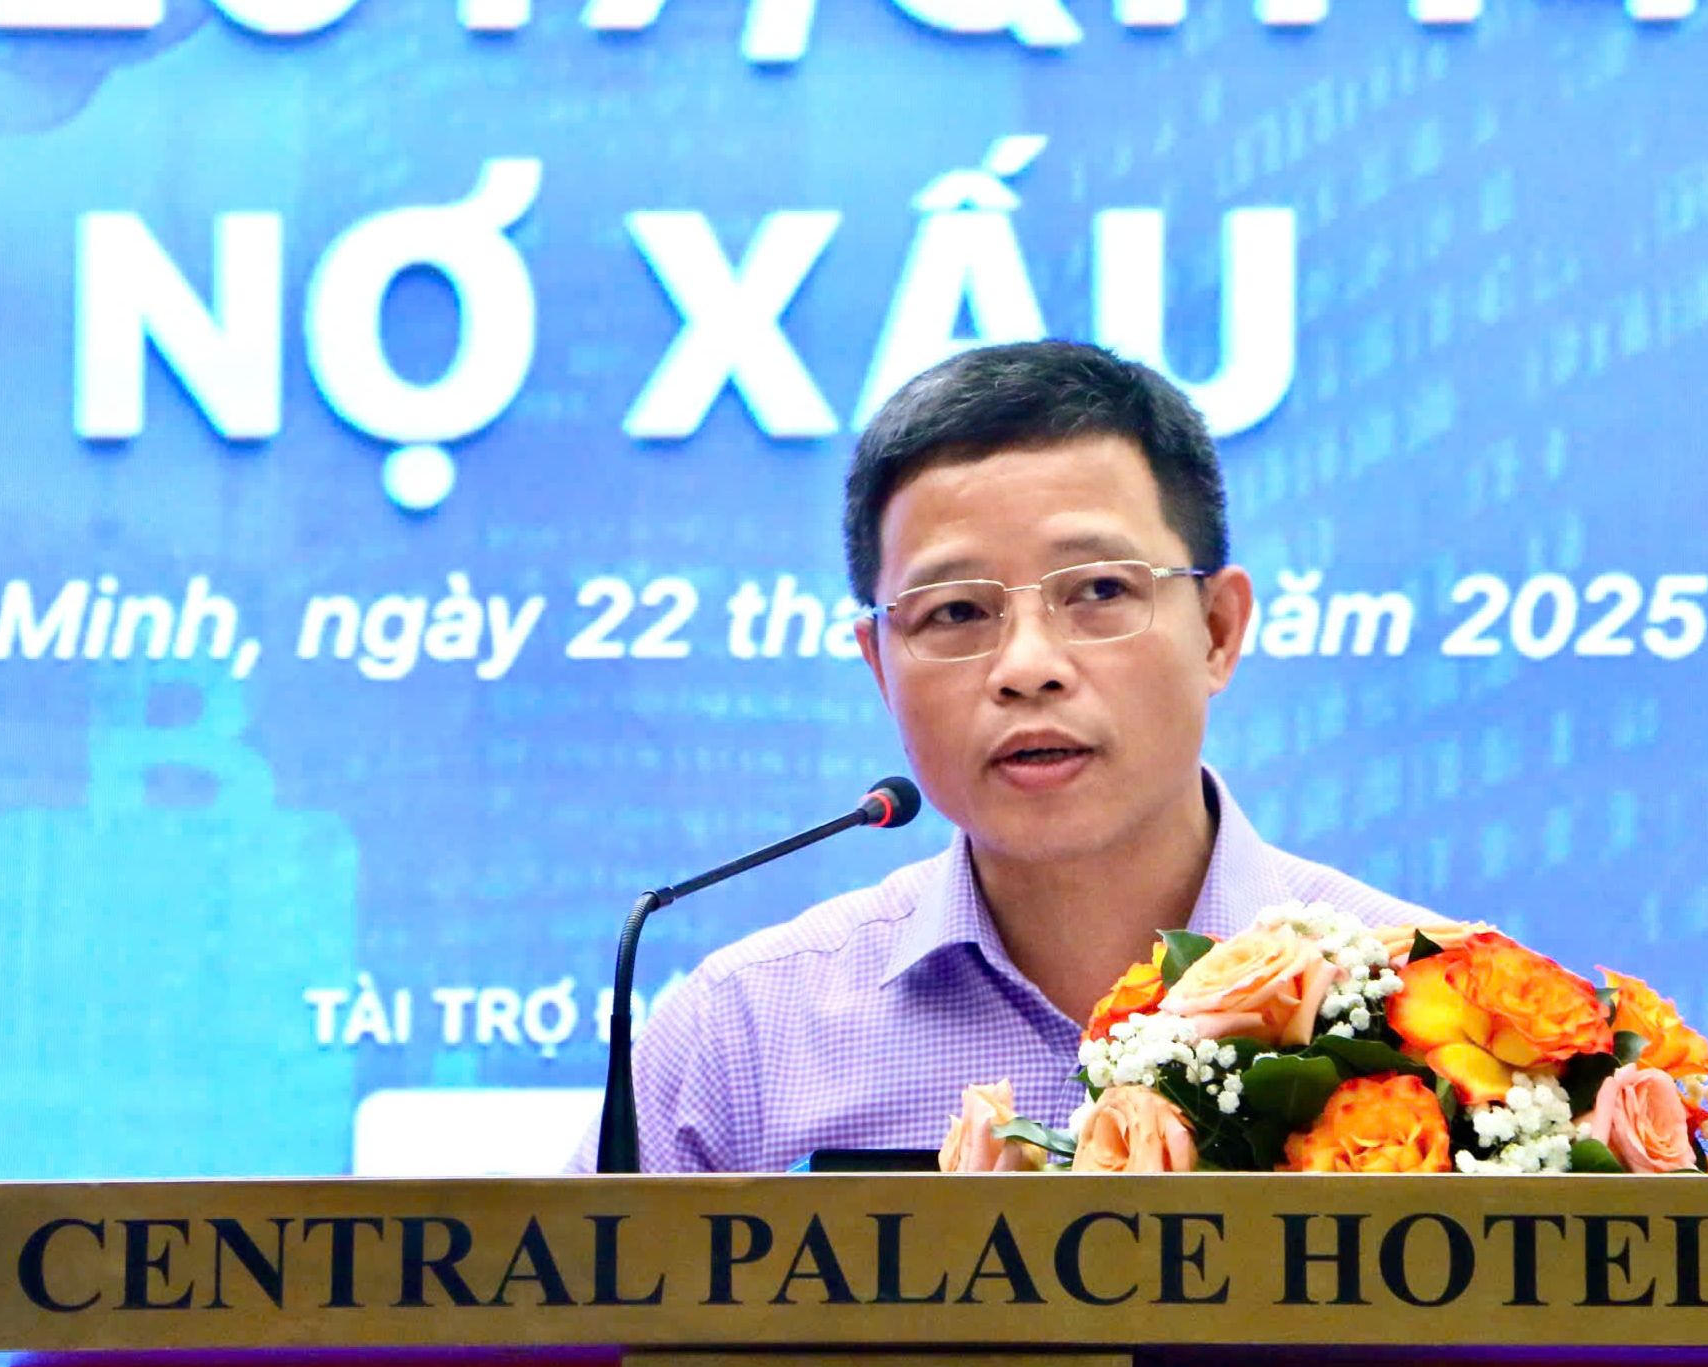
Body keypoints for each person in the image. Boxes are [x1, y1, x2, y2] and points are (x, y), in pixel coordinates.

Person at [567, 339, 1443, 1175]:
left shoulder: (1440, 1000)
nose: (1027, 666)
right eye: (955, 612)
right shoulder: (740, 1042)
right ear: (880, 667)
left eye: (1099, 589)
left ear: (1217, 630)